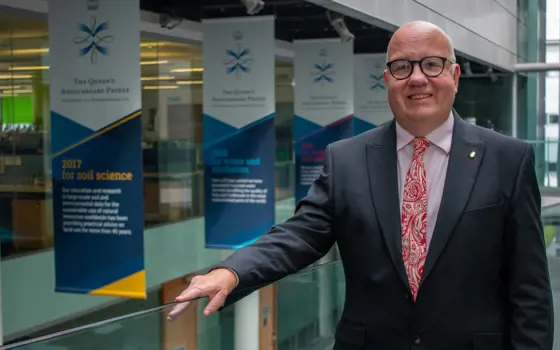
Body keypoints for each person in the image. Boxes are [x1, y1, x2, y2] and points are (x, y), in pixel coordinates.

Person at [168, 20, 554, 349]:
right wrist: (232, 271)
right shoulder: (347, 159)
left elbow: (530, 291)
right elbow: (299, 236)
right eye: (402, 67)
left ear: (454, 76)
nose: (417, 78)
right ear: (386, 79)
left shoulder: (508, 160)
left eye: (432, 65)